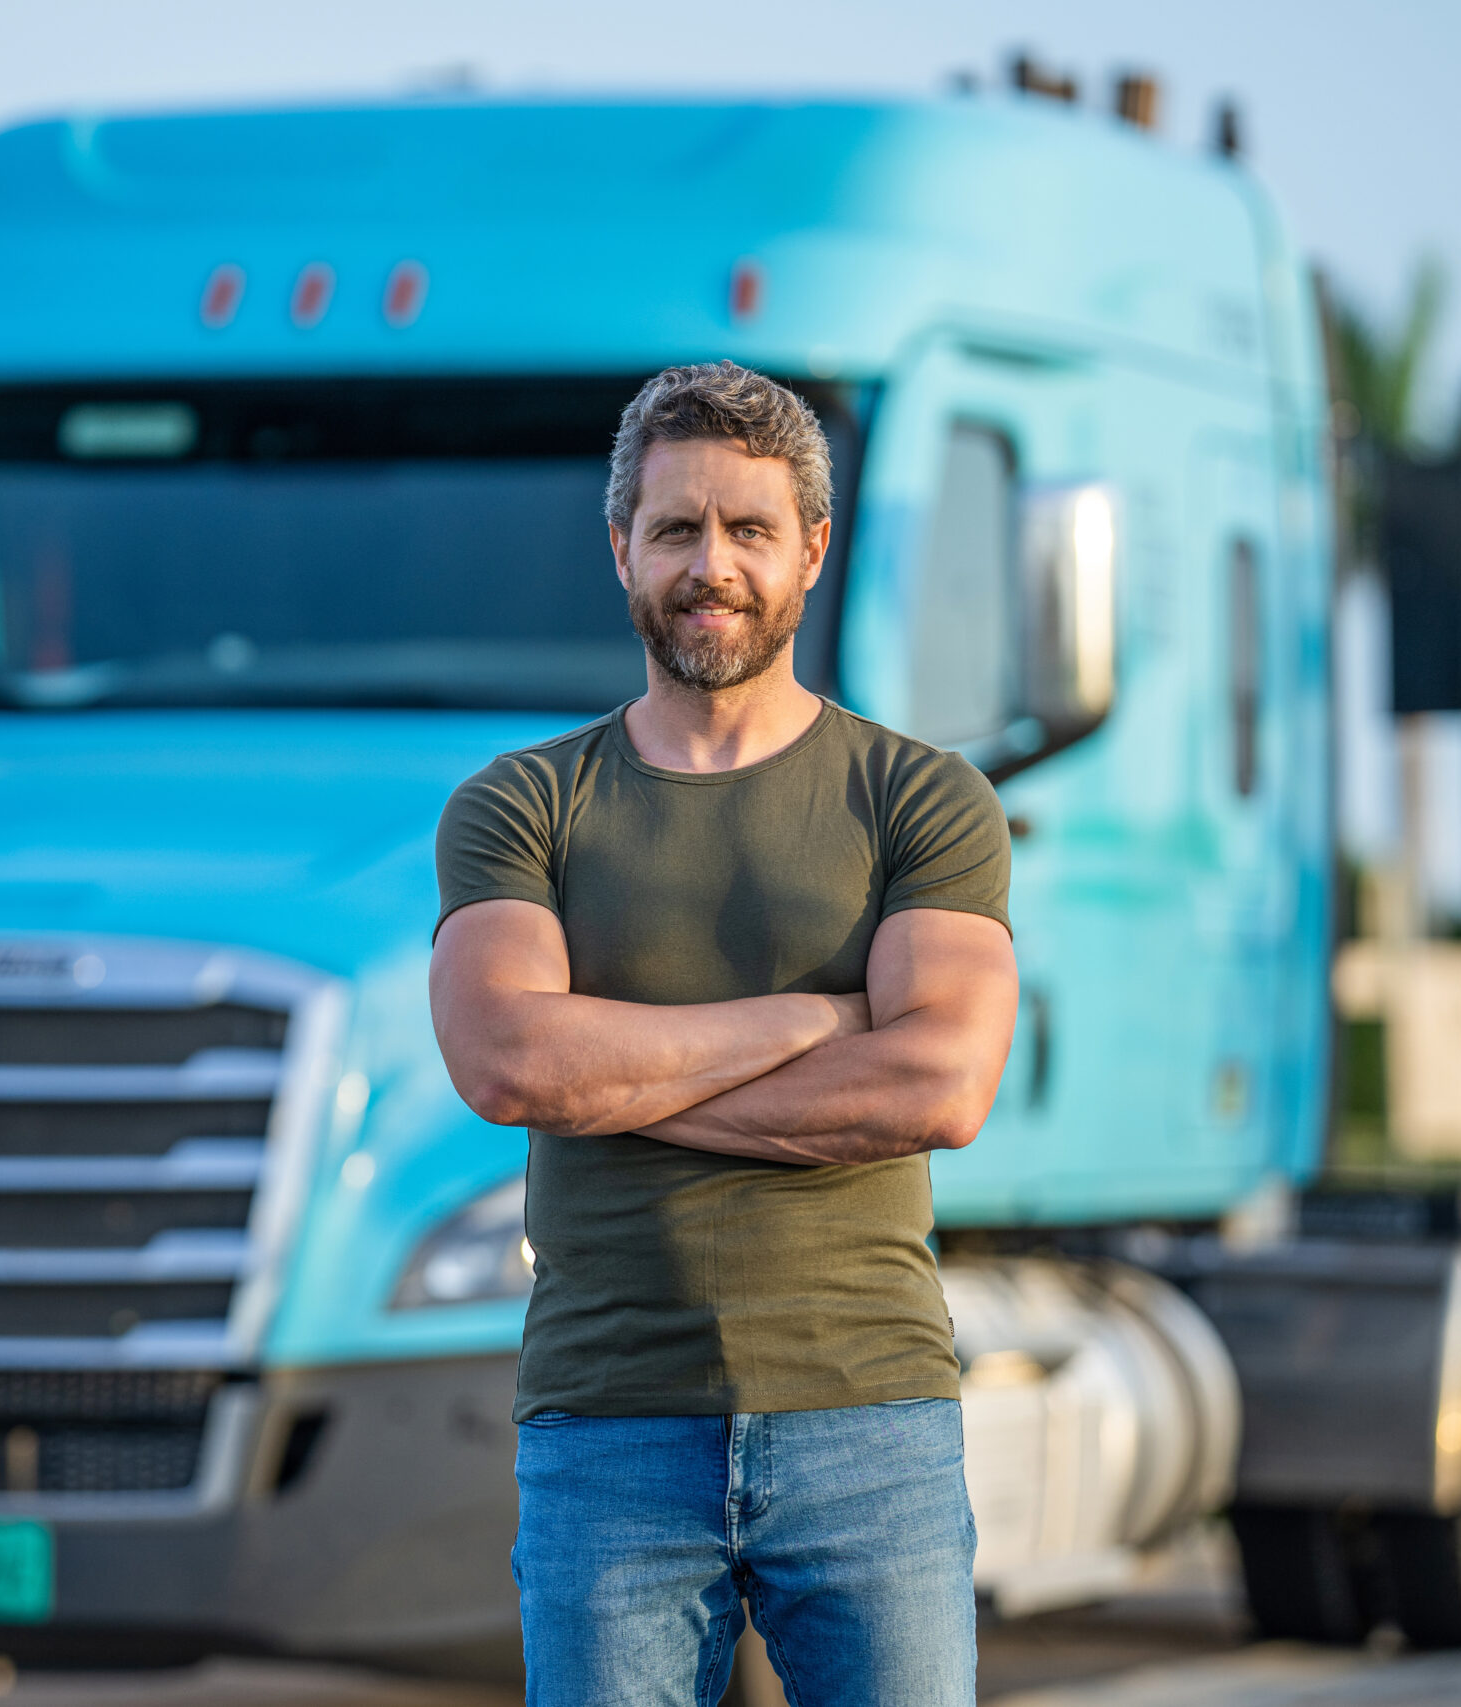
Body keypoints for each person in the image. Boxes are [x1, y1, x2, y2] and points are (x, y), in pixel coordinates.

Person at [428, 361, 1019, 1705]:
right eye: (677, 528)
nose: (713, 566)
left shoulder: (918, 800)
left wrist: (615, 1078)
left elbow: (939, 1084)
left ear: (813, 549)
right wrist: (812, 1020)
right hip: (609, 1430)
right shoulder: (523, 805)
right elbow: (506, 1062)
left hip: (868, 1416)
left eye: (750, 530)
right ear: (621, 545)